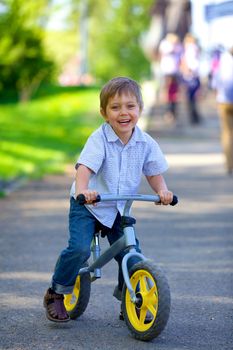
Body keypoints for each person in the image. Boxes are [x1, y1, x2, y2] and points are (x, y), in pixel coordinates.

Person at [43, 77, 174, 322]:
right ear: (104, 113)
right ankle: (56, 292)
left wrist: (162, 191)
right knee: (80, 249)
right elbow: (84, 168)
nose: (123, 113)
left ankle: (130, 300)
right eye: (115, 107)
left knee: (130, 253)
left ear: (140, 109)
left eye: (130, 106)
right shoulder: (99, 139)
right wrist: (83, 191)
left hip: (117, 207)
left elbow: (153, 171)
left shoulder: (145, 143)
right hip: (89, 205)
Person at [214, 47, 233, 175]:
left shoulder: (223, 65)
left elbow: (215, 84)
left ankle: (229, 164)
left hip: (224, 102)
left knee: (227, 133)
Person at [158, 33, 183, 123]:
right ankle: (168, 112)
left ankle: (173, 112)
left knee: (174, 93)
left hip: (175, 72)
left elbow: (180, 55)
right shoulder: (165, 44)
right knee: (167, 92)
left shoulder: (178, 46)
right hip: (167, 72)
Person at [181, 33, 202, 125]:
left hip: (190, 74)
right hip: (192, 74)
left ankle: (193, 116)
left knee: (191, 97)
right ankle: (194, 116)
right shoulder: (192, 48)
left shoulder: (189, 48)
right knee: (192, 97)